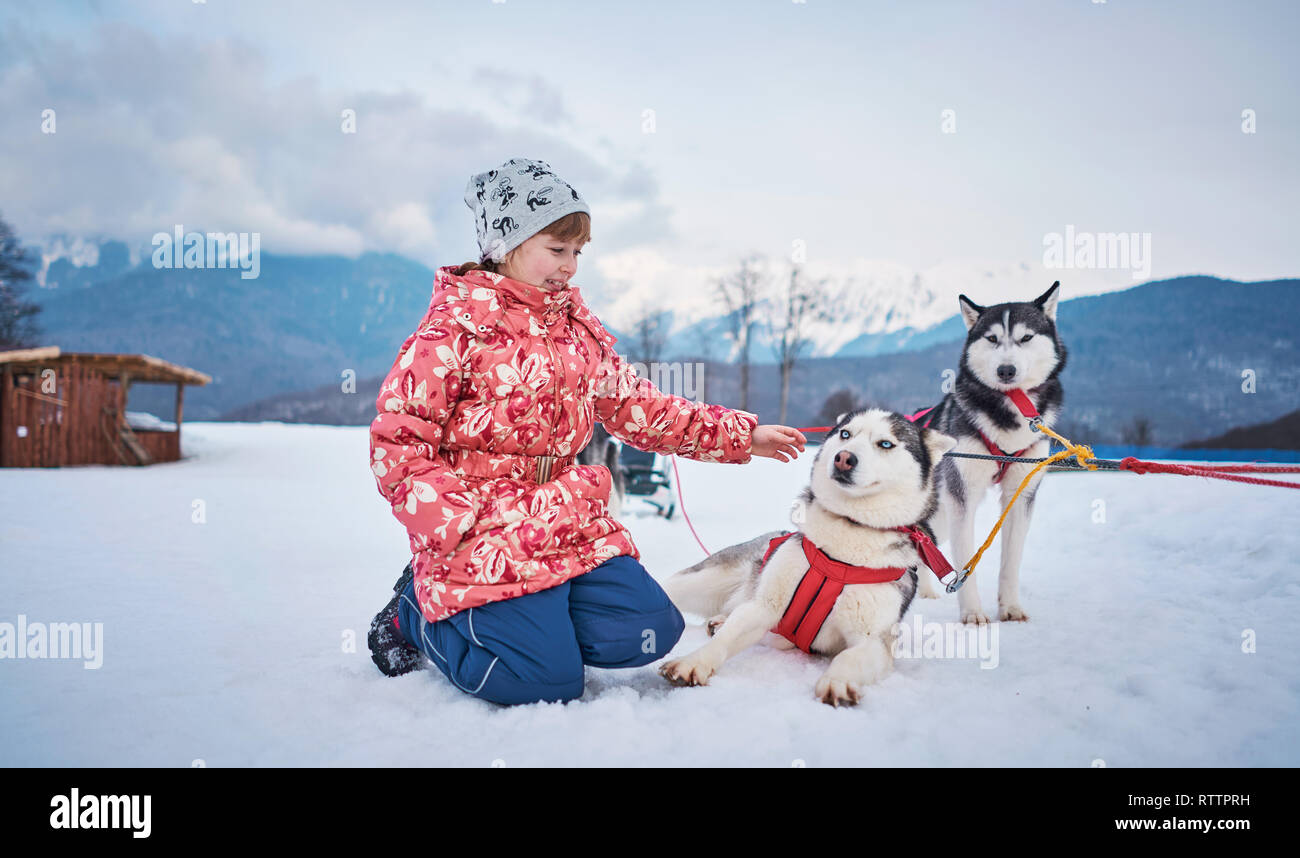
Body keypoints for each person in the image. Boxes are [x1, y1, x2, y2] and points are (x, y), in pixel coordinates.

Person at [367, 157, 807, 705]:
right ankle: (419, 613)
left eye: (578, 252)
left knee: (650, 629)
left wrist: (742, 436)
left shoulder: (574, 331)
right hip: (480, 528)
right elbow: (397, 444)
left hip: (559, 515)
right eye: (557, 249)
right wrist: (457, 523)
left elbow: (637, 405)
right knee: (542, 681)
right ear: (507, 244)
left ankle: (525, 619)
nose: (571, 267)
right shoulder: (451, 332)